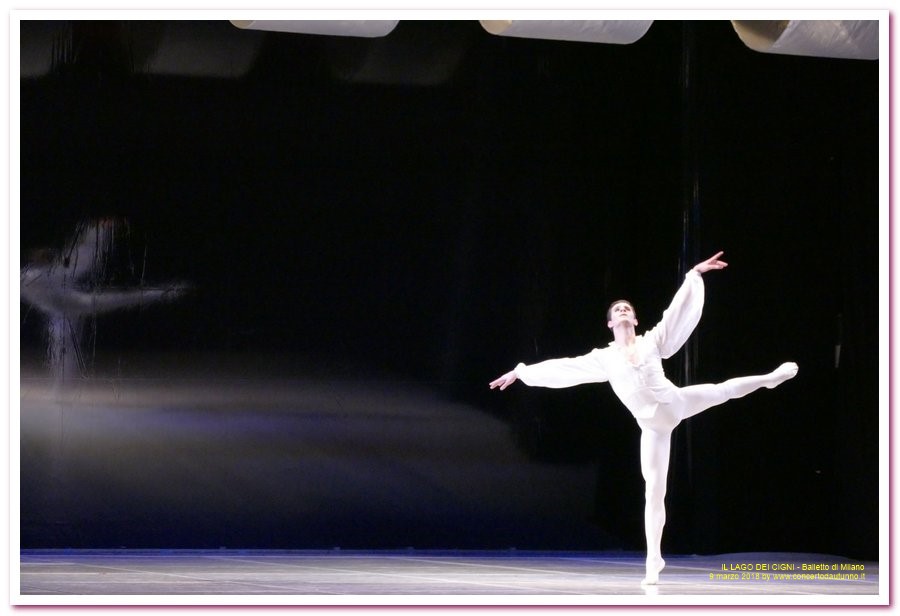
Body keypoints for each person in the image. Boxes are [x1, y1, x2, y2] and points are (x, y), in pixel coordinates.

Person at [489, 251, 798, 585]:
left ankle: (770, 378)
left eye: (628, 309)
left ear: (635, 320)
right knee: (654, 490)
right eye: (617, 310)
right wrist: (523, 372)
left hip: (676, 403)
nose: (623, 311)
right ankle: (654, 558)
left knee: (722, 391)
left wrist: (693, 276)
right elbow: (566, 367)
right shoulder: (604, 359)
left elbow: (676, 314)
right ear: (610, 323)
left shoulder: (652, 341)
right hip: (652, 428)